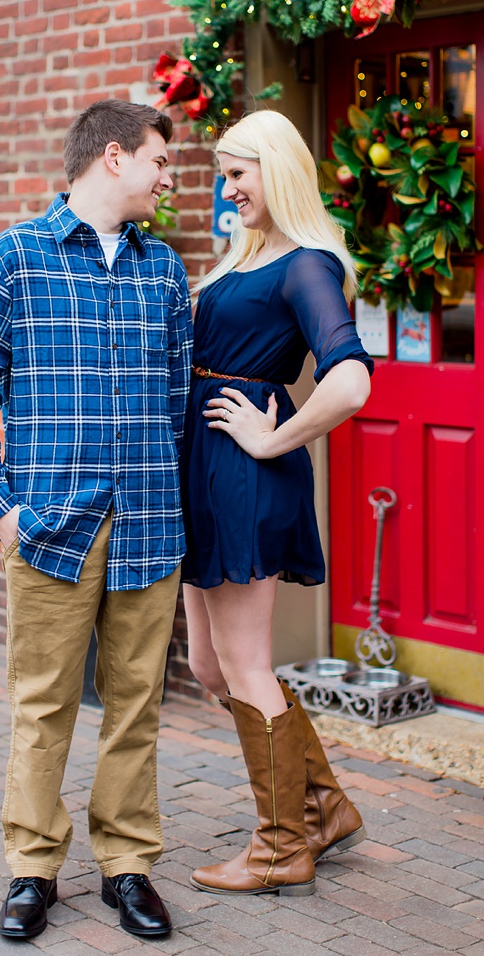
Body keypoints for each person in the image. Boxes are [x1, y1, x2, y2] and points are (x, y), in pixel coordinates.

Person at [0, 100, 189, 941]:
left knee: (136, 704)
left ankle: (127, 864)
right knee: (44, 703)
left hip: (151, 521)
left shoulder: (164, 270)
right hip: (48, 526)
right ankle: (33, 869)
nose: (169, 176)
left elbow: (178, 399)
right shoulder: (13, 257)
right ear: (114, 157)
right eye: (160, 160)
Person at [179, 109, 373, 897]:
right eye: (223, 174)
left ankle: (279, 845)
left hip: (244, 473)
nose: (228, 189)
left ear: (277, 169)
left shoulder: (307, 264)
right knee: (208, 665)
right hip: (207, 469)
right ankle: (321, 805)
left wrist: (275, 436)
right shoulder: (241, 258)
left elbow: (351, 379)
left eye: (239, 173)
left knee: (246, 664)